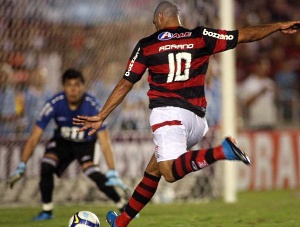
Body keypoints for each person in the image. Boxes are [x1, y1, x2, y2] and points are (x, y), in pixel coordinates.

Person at [73, 1, 300, 226]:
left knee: (169, 172)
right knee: (154, 170)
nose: (154, 26)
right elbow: (244, 35)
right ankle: (121, 222)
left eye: (154, 22)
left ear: (160, 18)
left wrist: (102, 115)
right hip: (197, 122)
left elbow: (126, 83)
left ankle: (221, 151)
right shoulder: (201, 36)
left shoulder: (147, 45)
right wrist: (278, 26)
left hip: (168, 114)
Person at [6, 68, 128, 221]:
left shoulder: (92, 105)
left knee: (93, 173)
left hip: (85, 144)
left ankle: (123, 205)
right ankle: (47, 211)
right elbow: (35, 136)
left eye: (77, 85)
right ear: (63, 87)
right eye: (69, 85)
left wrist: (112, 170)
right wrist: (22, 164)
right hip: (62, 142)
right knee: (46, 164)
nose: (73, 90)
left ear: (83, 87)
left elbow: (104, 140)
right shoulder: (54, 103)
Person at [239, 57, 278, 130]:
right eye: (263, 66)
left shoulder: (270, 82)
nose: (265, 68)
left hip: (270, 121)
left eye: (267, 66)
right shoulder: (249, 83)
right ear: (256, 67)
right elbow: (246, 103)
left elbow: (274, 102)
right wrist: (260, 92)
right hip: (256, 122)